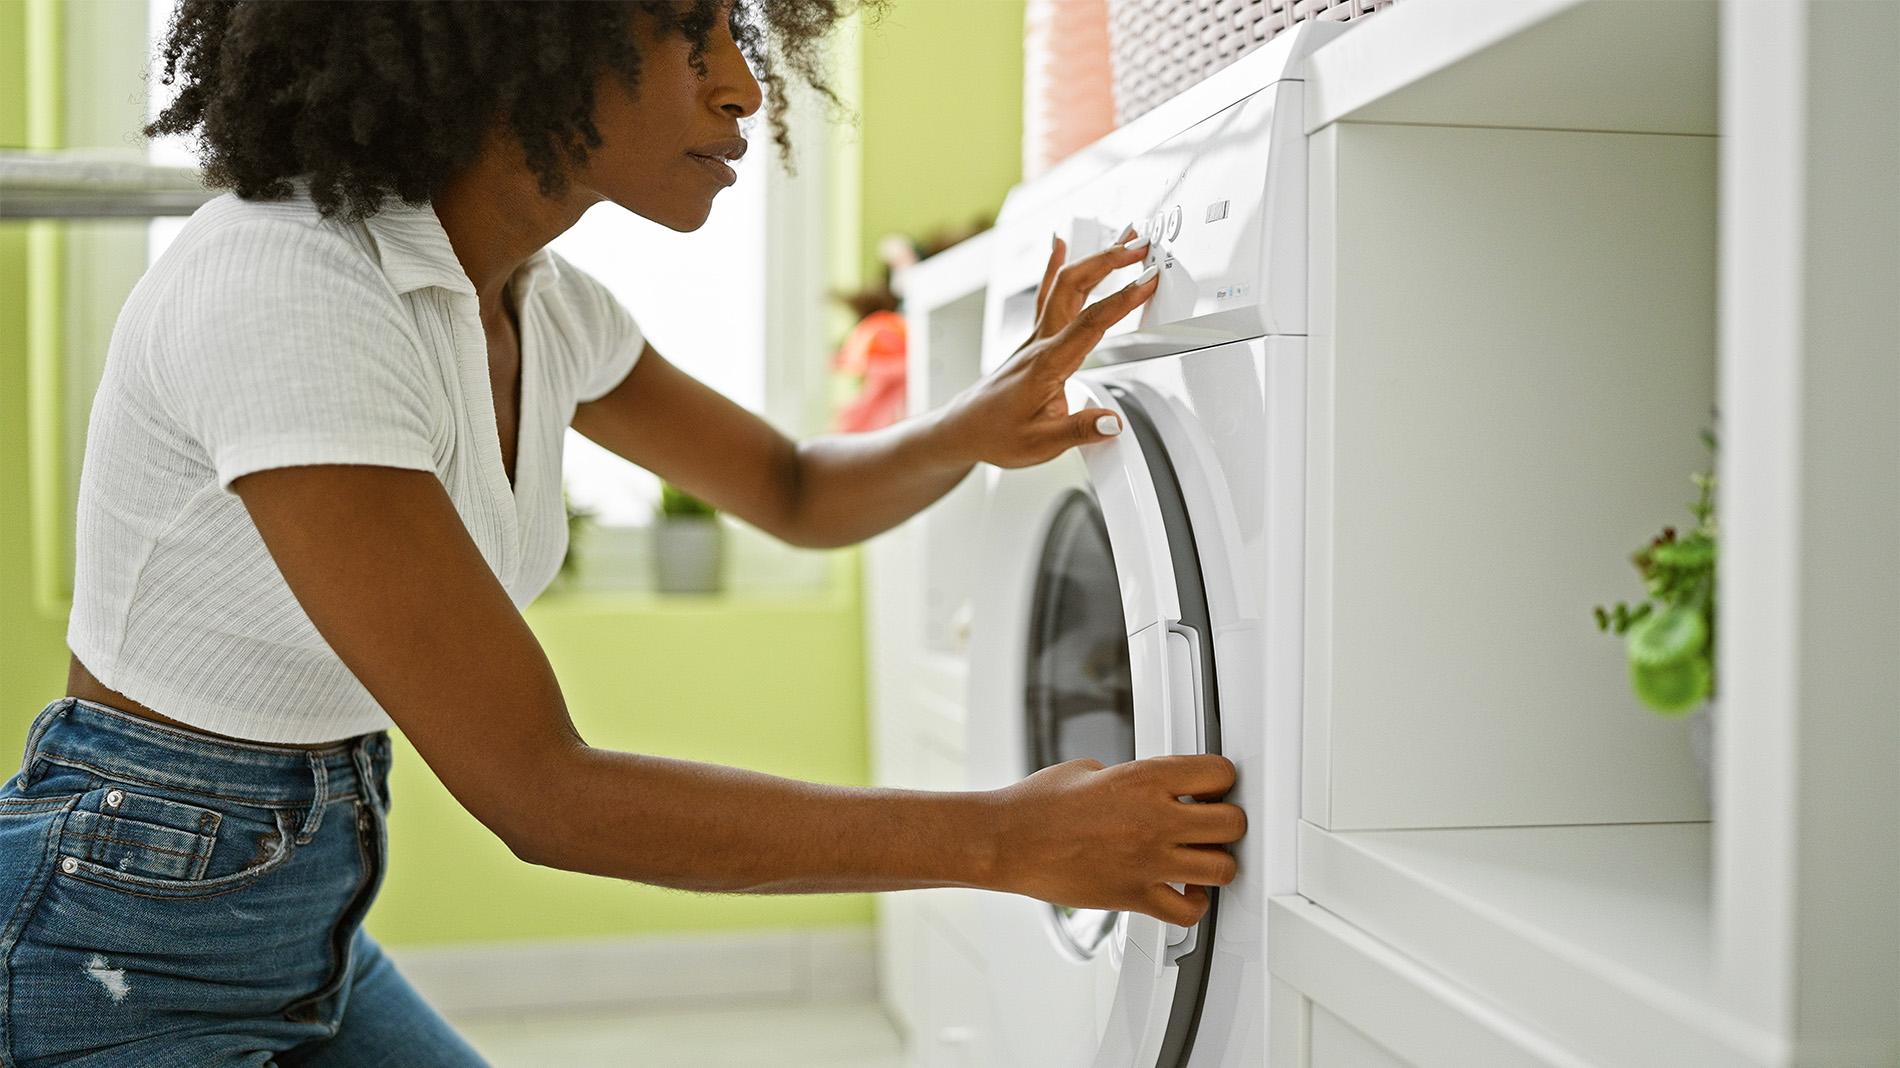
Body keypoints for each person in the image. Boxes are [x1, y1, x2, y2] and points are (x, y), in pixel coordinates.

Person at [0, 2, 1243, 1063]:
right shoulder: (290, 288)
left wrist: (967, 426)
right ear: (519, 39)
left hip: (299, 899)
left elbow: (797, 492)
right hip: (118, 926)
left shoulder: (543, 305)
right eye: (684, 32)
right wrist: (1001, 837)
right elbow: (544, 795)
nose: (745, 84)